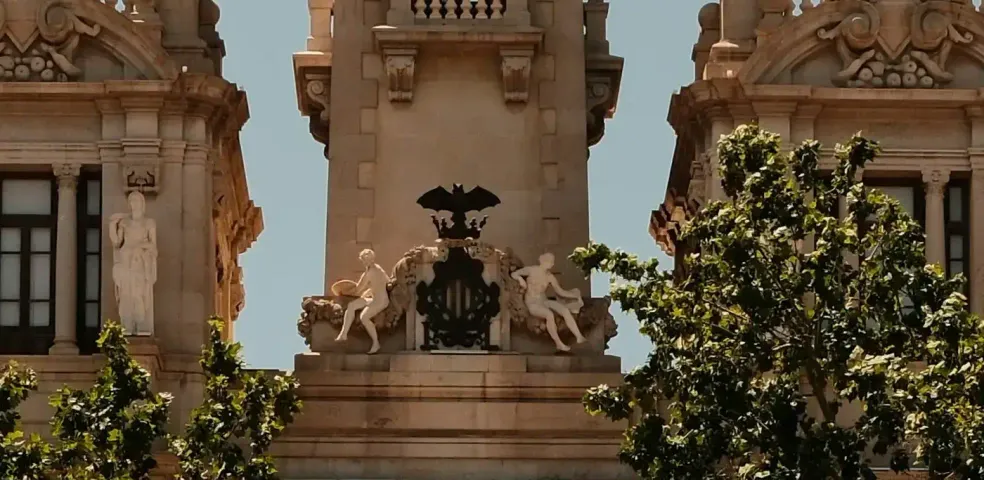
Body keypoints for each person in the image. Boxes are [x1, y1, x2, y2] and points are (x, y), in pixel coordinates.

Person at [511, 252, 587, 352]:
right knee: (549, 314)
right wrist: (521, 280)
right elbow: (514, 274)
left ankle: (579, 336)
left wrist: (574, 295)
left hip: (543, 301)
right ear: (544, 261)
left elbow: (560, 291)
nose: (552, 264)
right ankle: (559, 343)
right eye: (551, 262)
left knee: (564, 310)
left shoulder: (550, 276)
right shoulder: (532, 270)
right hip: (532, 303)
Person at [109, 191, 157, 336]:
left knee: (139, 293)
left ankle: (141, 324)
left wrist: (140, 247)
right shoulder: (125, 222)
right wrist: (112, 224)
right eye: (132, 201)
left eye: (137, 201)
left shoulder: (149, 223)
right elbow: (117, 242)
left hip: (140, 261)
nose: (134, 204)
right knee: (126, 295)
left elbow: (153, 246)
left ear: (142, 204)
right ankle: (128, 325)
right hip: (125, 260)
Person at [335, 249, 388, 354]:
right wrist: (371, 290)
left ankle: (376, 343)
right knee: (352, 305)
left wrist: (344, 292)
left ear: (370, 259)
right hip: (374, 298)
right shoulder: (377, 269)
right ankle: (344, 333)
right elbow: (385, 282)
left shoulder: (370, 273)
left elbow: (358, 290)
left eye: (365, 259)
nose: (364, 262)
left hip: (380, 301)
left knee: (364, 317)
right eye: (363, 259)